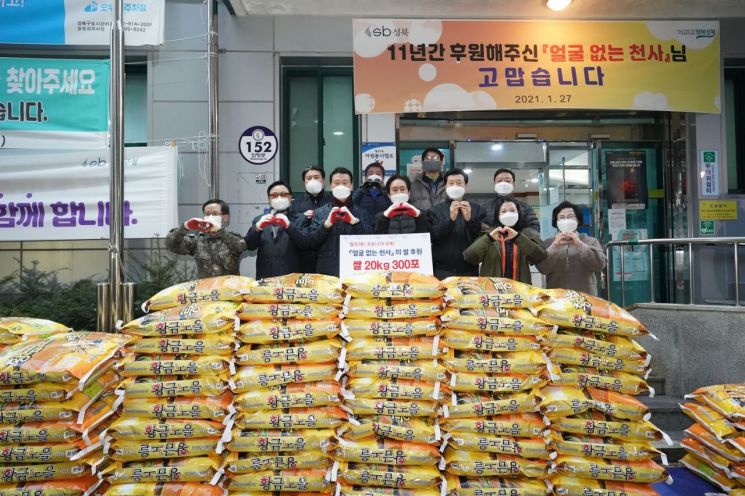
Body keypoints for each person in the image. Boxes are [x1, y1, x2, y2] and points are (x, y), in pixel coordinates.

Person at [299, 167, 373, 276]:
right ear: (331, 186)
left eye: (345, 183)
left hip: (356, 270)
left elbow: (371, 239)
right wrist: (325, 226)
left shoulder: (362, 213)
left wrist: (355, 223)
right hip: (326, 271)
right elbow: (311, 242)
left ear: (351, 186)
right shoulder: (319, 213)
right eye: (337, 183)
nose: (341, 186)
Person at [463, 197, 547, 283]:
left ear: (518, 213)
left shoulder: (527, 233)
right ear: (498, 215)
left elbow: (539, 256)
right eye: (503, 211)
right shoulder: (488, 233)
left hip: (520, 289)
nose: (508, 214)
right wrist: (488, 238)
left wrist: (518, 237)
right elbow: (470, 257)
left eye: (512, 210)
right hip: (493, 290)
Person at [536, 201, 606, 295]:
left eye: (570, 216)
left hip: (585, 297)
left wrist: (579, 244)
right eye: (561, 217)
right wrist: (555, 245)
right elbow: (543, 268)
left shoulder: (591, 241)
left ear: (578, 220)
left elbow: (599, 265)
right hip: (556, 298)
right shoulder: (548, 242)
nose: (566, 220)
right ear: (556, 222)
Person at [165, 199, 246, 279]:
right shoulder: (198, 240)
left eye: (215, 213)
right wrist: (185, 226)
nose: (210, 217)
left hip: (229, 289)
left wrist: (219, 231)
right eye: (207, 214)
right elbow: (171, 245)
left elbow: (240, 247)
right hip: (205, 289)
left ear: (225, 217)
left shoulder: (232, 238)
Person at [428, 168, 486, 279]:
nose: (455, 186)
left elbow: (480, 237)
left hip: (470, 269)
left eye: (459, 183)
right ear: (445, 186)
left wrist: (469, 220)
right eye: (451, 183)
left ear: (465, 185)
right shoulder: (435, 210)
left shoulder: (478, 209)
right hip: (441, 269)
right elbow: (433, 236)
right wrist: (450, 220)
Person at [244, 181, 305, 279]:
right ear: (269, 199)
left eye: (283, 194)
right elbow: (250, 245)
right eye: (274, 195)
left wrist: (289, 226)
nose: (279, 198)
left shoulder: (301, 218)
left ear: (290, 197)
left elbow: (305, 244)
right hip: (265, 277)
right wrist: (257, 228)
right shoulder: (259, 219)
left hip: (291, 277)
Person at [293, 165, 333, 273]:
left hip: (329, 256)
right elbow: (292, 228)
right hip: (304, 257)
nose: (313, 181)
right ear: (304, 182)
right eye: (309, 178)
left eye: (316, 177)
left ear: (323, 181)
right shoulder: (295, 204)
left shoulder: (333, 201)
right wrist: (302, 217)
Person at [410, 147, 447, 212]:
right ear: (422, 162)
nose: (432, 161)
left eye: (436, 158)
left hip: (444, 221)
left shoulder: (449, 182)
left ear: (441, 162)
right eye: (428, 158)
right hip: (421, 221)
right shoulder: (412, 183)